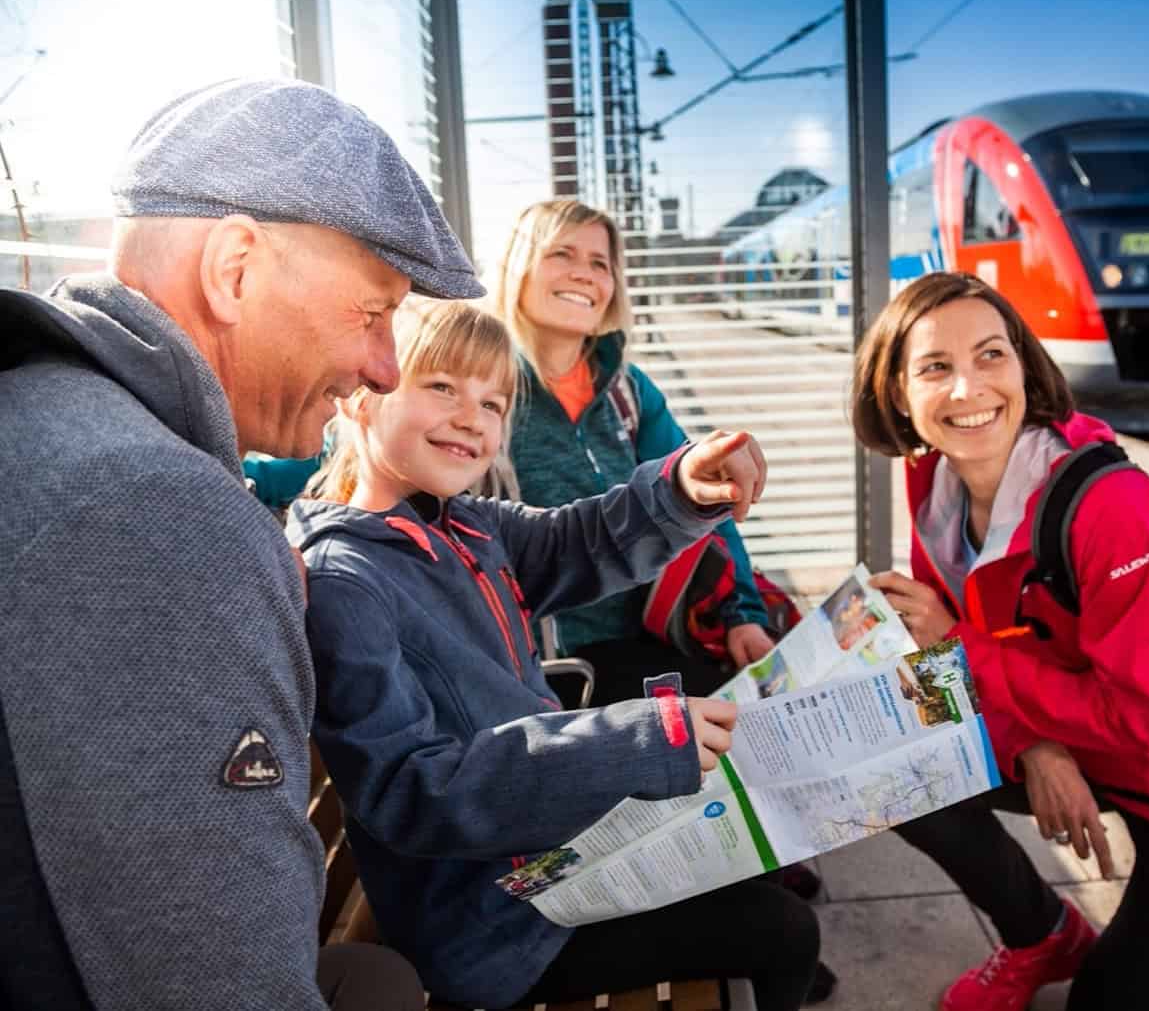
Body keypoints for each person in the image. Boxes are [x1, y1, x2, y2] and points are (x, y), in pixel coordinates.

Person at [0, 77, 483, 1010]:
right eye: (374, 313)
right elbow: (224, 984)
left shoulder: (52, 420)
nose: (383, 368)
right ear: (235, 269)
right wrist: (217, 561)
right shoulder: (147, 508)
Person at [288, 298, 820, 1011]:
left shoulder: (464, 527)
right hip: (493, 928)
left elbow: (581, 540)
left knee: (754, 865)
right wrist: (636, 741)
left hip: (547, 861)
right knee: (782, 930)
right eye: (442, 387)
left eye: (494, 402)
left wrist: (680, 488)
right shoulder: (346, 584)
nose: (472, 417)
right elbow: (414, 790)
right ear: (362, 397)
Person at [850, 272, 1149, 1011]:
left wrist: (956, 645)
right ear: (898, 393)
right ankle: (1043, 935)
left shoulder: (1113, 509)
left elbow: (1144, 722)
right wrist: (1036, 748)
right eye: (934, 367)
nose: (967, 389)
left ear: (1025, 366)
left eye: (991, 355)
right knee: (895, 758)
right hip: (1082, 740)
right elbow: (970, 655)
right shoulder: (934, 478)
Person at [488, 198, 777, 703]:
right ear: (519, 266)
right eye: (563, 254)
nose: (585, 275)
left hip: (647, 640)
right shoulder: (482, 386)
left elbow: (707, 504)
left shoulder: (629, 391)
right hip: (532, 670)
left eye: (600, 263)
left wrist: (742, 617)